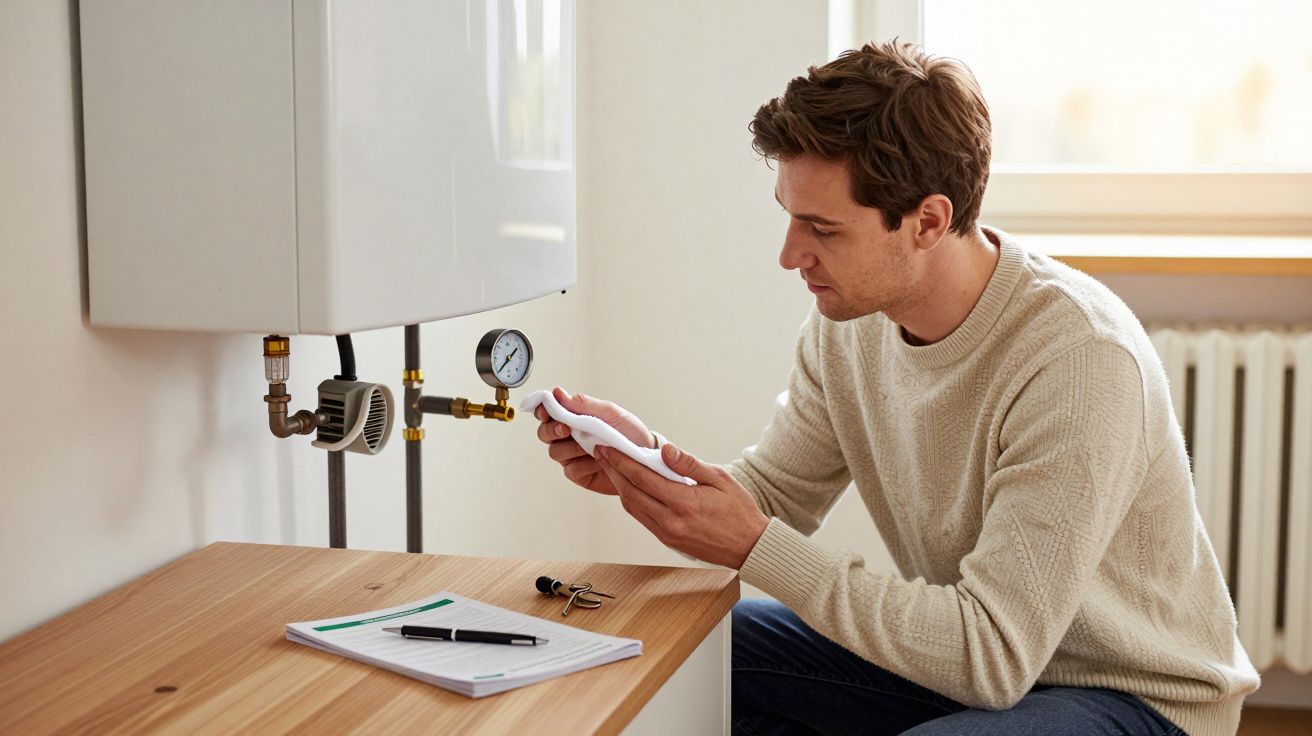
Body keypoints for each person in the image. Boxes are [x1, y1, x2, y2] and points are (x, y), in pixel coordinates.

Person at [533, 40, 1258, 736]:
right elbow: (773, 498)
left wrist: (756, 544)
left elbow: (991, 656)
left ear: (928, 221)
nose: (790, 255)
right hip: (982, 670)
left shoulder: (1078, 360)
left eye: (822, 228)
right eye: (789, 216)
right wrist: (649, 467)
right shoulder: (850, 322)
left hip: (1133, 699)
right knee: (694, 652)